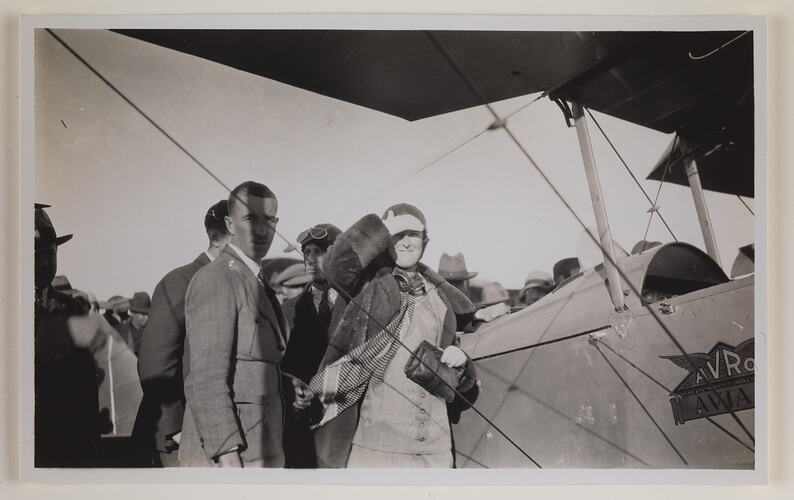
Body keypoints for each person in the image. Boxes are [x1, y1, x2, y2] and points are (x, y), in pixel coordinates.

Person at [309, 203, 479, 468]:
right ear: (384, 239)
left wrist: (462, 363)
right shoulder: (368, 284)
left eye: (413, 234)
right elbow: (334, 265)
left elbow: (458, 382)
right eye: (397, 234)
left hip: (436, 450)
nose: (406, 242)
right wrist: (382, 228)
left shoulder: (444, 298)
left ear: (426, 241)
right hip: (378, 447)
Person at [179, 181, 311, 467]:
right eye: (250, 218)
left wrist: (283, 382)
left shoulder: (255, 280)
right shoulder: (217, 279)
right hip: (231, 461)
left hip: (261, 452)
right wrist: (230, 463)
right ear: (230, 223)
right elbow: (205, 379)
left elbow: (247, 363)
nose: (262, 230)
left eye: (270, 220)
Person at [132, 199, 231, 467]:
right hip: (179, 439)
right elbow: (155, 364)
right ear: (215, 237)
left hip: (219, 431)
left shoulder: (237, 282)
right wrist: (175, 428)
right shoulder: (181, 281)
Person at [34, 203, 113, 467]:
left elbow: (86, 386)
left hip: (66, 445)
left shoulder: (72, 309)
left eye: (51, 253)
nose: (45, 261)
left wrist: (91, 443)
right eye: (36, 253)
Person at [280, 223, 344, 468]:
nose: (310, 259)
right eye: (306, 252)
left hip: (343, 422)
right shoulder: (288, 309)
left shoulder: (356, 306)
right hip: (303, 426)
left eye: (320, 251)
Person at [117, 291, 150, 356]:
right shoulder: (120, 331)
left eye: (147, 314)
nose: (145, 317)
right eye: (141, 313)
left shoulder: (155, 332)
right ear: (132, 312)